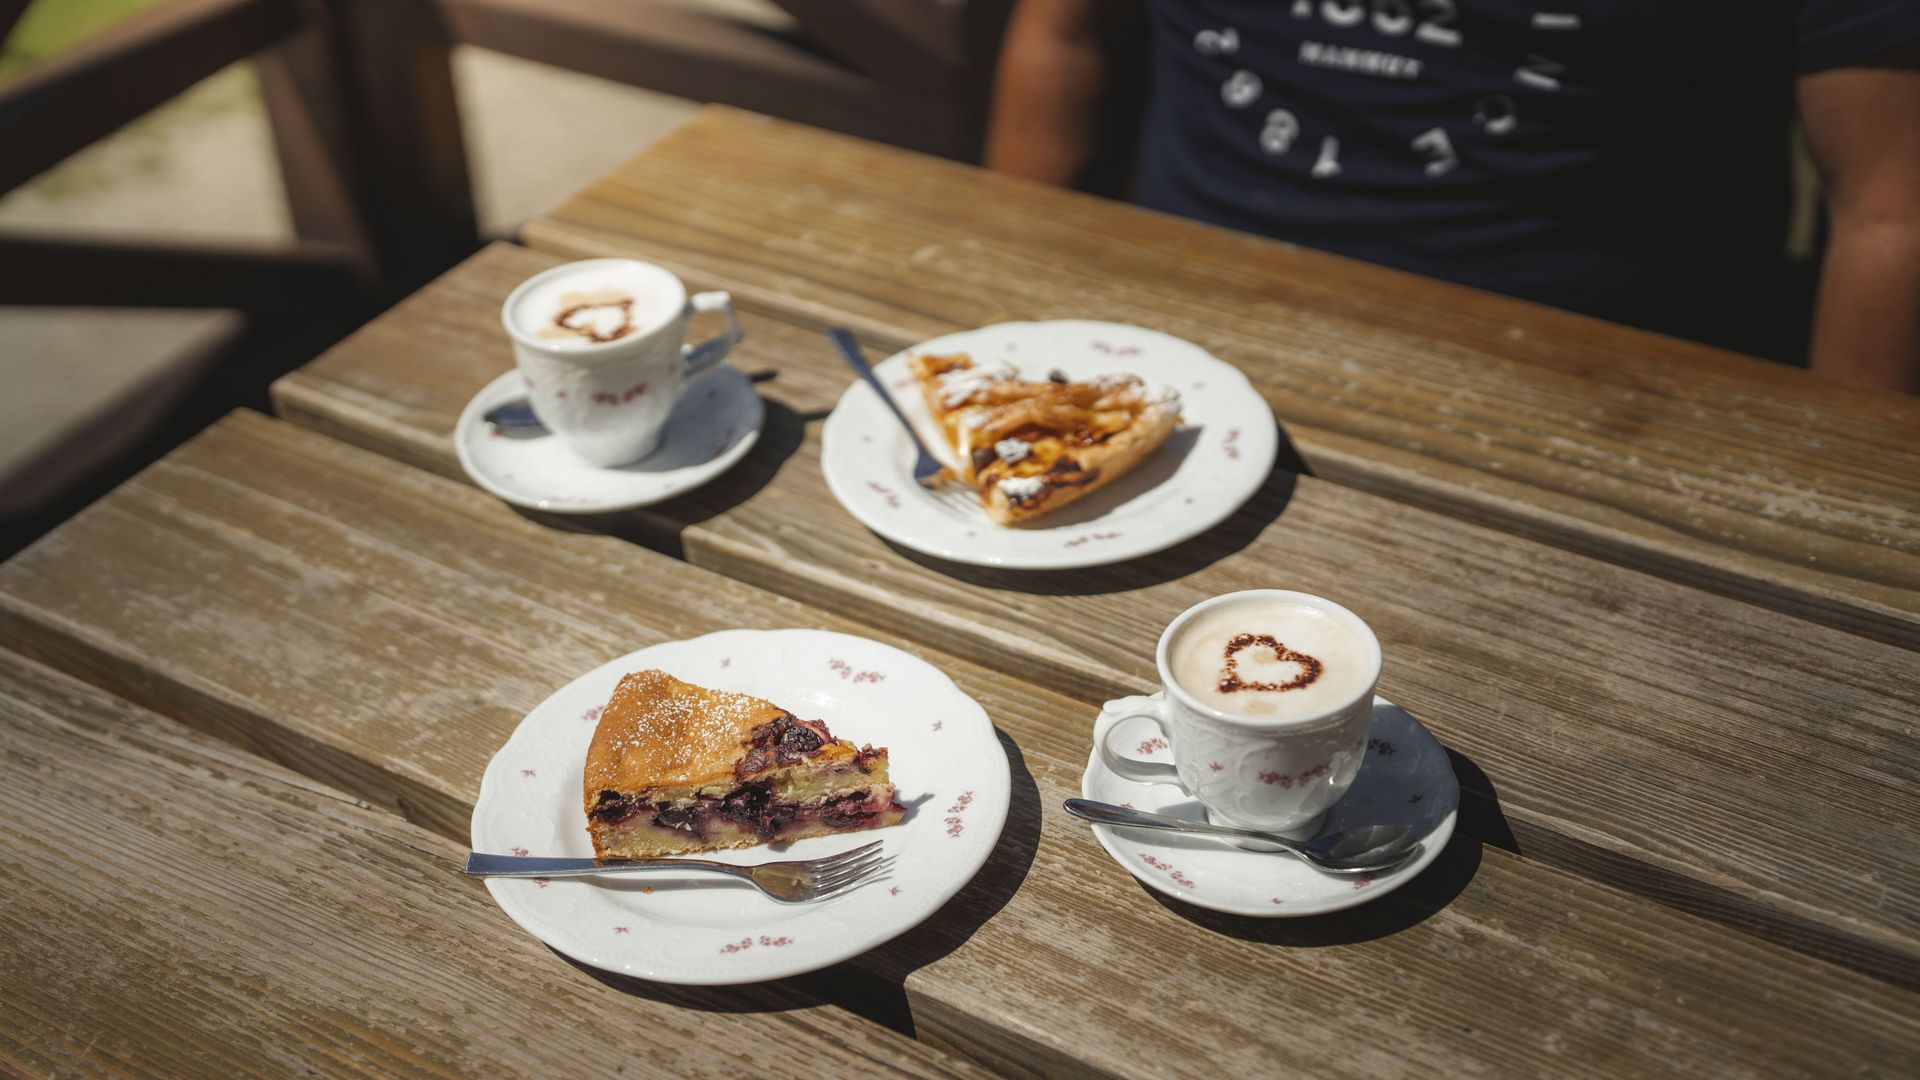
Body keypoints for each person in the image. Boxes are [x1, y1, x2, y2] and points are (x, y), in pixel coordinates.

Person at [986, 2, 1920, 393]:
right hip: (1167, 335)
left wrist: (1842, 507)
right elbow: (1066, 34)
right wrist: (1006, 315)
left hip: (1588, 387)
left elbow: (1889, 204)